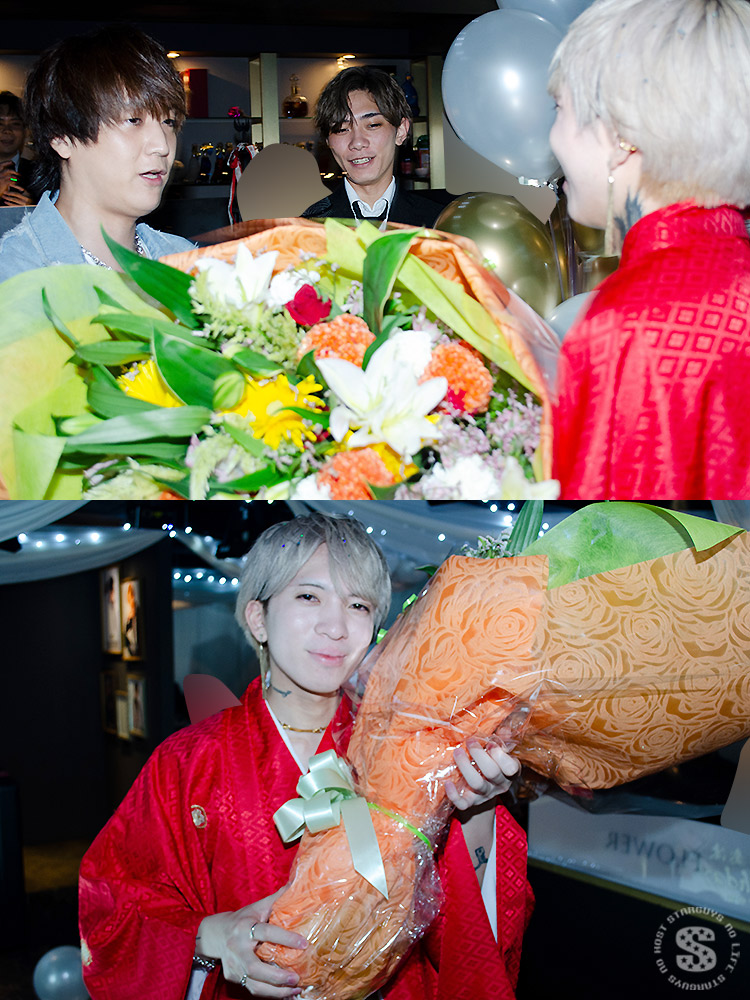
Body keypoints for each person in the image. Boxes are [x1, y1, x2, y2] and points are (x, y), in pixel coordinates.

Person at [79, 513, 531, 1000]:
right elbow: (113, 907)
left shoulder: (414, 747)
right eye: (309, 596)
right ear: (258, 618)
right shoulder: (187, 761)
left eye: (358, 605)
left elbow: (466, 932)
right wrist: (211, 937)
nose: (336, 627)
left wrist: (476, 807)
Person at [548, 0, 750, 501]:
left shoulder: (632, 322)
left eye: (559, 110)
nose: (551, 139)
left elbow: (609, 536)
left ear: (620, 136)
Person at [0, 25, 194, 284]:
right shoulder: (15, 274)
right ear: (61, 137)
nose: (162, 145)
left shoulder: (190, 266)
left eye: (169, 122)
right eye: (133, 120)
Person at [301, 67, 444, 229]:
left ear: (401, 131)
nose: (357, 142)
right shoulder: (307, 227)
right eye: (341, 129)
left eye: (373, 125)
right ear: (328, 140)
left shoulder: (439, 223)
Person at [0, 90, 38, 207]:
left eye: (15, 123)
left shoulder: (38, 174)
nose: (7, 130)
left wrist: (32, 209)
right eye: (0, 123)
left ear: (25, 131)